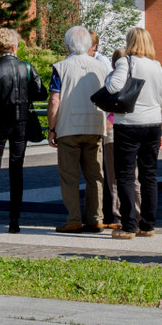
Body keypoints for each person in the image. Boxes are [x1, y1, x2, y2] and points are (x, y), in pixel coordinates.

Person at [0, 27, 45, 234]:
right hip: (21, 121)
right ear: (14, 47)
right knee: (17, 169)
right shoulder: (27, 68)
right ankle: (14, 221)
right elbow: (41, 93)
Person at [104, 26, 162, 238]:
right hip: (152, 124)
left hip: (129, 124)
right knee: (149, 176)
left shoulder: (126, 62)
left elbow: (113, 87)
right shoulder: (156, 66)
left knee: (125, 176)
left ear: (130, 42)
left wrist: (108, 77)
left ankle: (129, 226)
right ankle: (148, 225)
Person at [48, 25, 109, 233]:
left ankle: (73, 218)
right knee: (95, 176)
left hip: (69, 127)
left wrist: (51, 128)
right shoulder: (102, 67)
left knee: (69, 176)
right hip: (95, 126)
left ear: (68, 44)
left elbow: (55, 100)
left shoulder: (61, 67)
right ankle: (95, 218)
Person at [90, 30, 118, 230]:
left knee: (110, 172)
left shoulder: (105, 65)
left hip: (107, 124)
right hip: (97, 122)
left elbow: (111, 96)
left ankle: (111, 215)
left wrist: (109, 120)